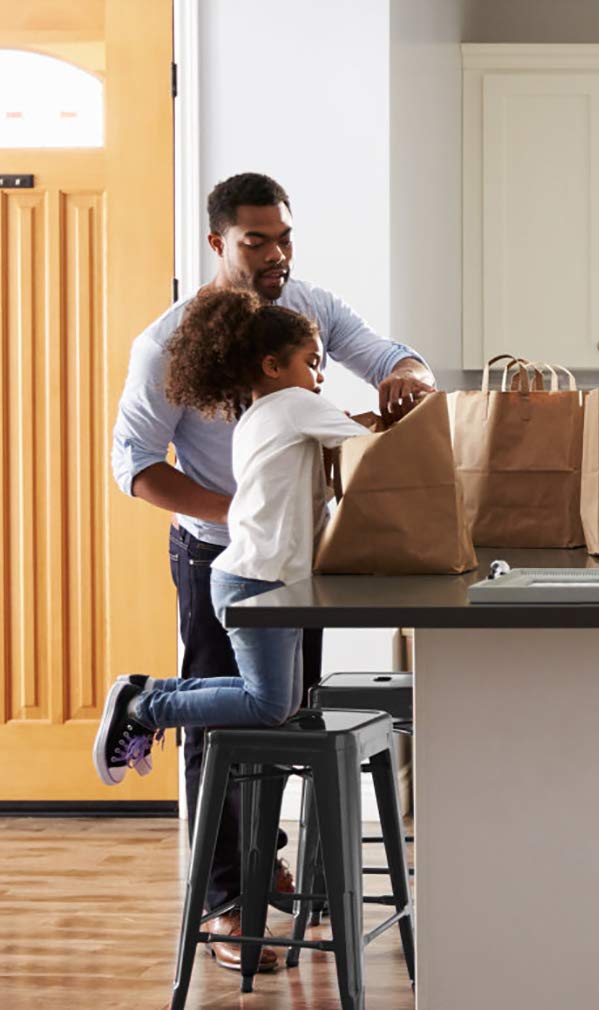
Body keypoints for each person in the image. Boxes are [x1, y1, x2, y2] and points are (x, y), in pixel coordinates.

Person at [110, 172, 433, 971]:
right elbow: (137, 468)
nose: (277, 254)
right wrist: (248, 508)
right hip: (220, 555)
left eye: (284, 238)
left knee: (281, 719)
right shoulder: (164, 344)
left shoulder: (307, 311)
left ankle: (265, 870)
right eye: (256, 241)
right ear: (217, 242)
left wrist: (410, 378)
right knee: (226, 727)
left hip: (291, 561)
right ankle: (226, 900)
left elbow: (393, 359)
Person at [99, 289, 368, 967]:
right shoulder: (295, 405)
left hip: (258, 579)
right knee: (270, 705)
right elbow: (373, 445)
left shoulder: (259, 412)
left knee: (277, 707)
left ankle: (151, 700)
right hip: (254, 582)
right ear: (275, 366)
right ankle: (145, 703)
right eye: (312, 361)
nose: (320, 373)